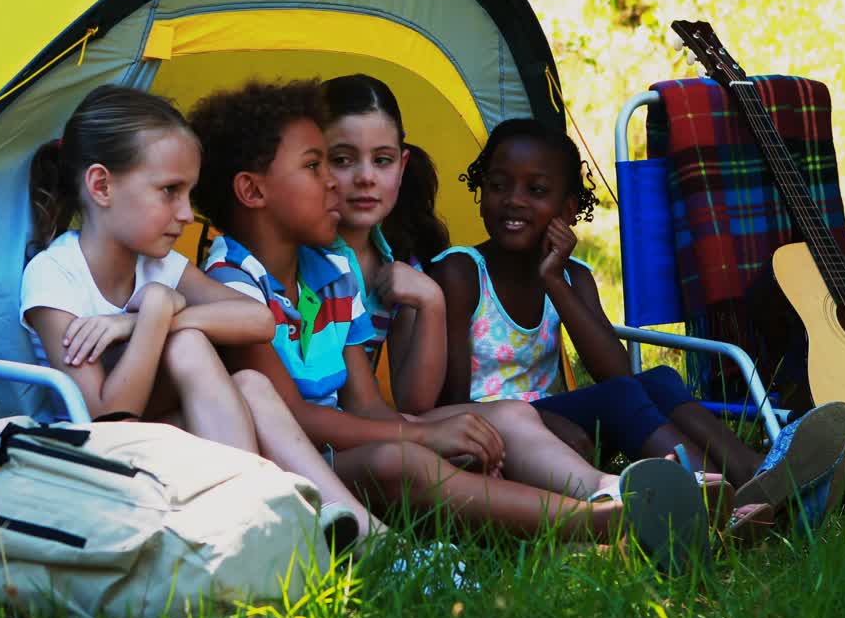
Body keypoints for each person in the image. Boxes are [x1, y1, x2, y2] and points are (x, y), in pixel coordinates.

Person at [189, 79, 712, 570]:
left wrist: (424, 423)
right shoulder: (234, 287)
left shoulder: (330, 272)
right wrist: (424, 434)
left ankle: (612, 489)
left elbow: (366, 403)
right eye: (316, 165)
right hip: (294, 465)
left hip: (346, 442)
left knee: (505, 417)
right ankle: (601, 524)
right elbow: (297, 418)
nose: (336, 181)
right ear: (253, 192)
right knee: (405, 462)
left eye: (340, 162)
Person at [429, 117, 845, 526]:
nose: (513, 200)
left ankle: (753, 475)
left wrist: (554, 282)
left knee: (659, 379)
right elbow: (449, 399)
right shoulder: (462, 273)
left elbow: (616, 371)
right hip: (494, 428)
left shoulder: (572, 275)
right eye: (498, 186)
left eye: (536, 189)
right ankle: (714, 500)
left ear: (568, 209)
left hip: (551, 418)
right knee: (619, 399)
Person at [19, 84, 381, 549]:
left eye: (188, 192)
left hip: (172, 445)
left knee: (248, 381)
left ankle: (367, 535)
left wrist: (144, 320)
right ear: (101, 186)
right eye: (170, 191)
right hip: (100, 466)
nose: (188, 214)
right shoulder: (55, 275)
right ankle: (261, 519)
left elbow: (259, 320)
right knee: (190, 345)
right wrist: (154, 309)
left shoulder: (159, 265)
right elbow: (108, 418)